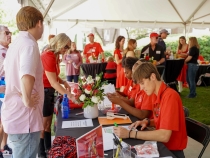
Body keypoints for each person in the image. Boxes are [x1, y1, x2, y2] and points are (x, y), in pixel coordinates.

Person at [114, 62, 187, 158]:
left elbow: (164, 135)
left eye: (143, 83)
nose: (142, 88)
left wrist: (130, 133)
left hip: (171, 151)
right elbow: (162, 119)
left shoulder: (170, 96)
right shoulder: (156, 94)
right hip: (161, 145)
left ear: (152, 77)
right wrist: (148, 122)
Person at [2, 6, 45, 158]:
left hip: (17, 115)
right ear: (39, 23)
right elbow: (26, 73)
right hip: (24, 118)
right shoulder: (29, 44)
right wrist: (27, 100)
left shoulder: (17, 43)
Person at [39, 33, 74, 157]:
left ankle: (49, 150)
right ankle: (42, 153)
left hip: (48, 91)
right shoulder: (48, 55)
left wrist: (64, 82)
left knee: (47, 124)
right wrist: (69, 95)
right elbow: (53, 82)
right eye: (65, 47)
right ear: (59, 44)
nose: (66, 50)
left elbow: (54, 76)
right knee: (43, 126)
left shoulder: (54, 56)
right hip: (44, 91)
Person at [0, 25, 12, 157]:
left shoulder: (9, 50)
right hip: (1, 91)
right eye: (6, 33)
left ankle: (4, 146)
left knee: (6, 122)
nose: (9, 35)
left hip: (8, 91)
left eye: (10, 33)